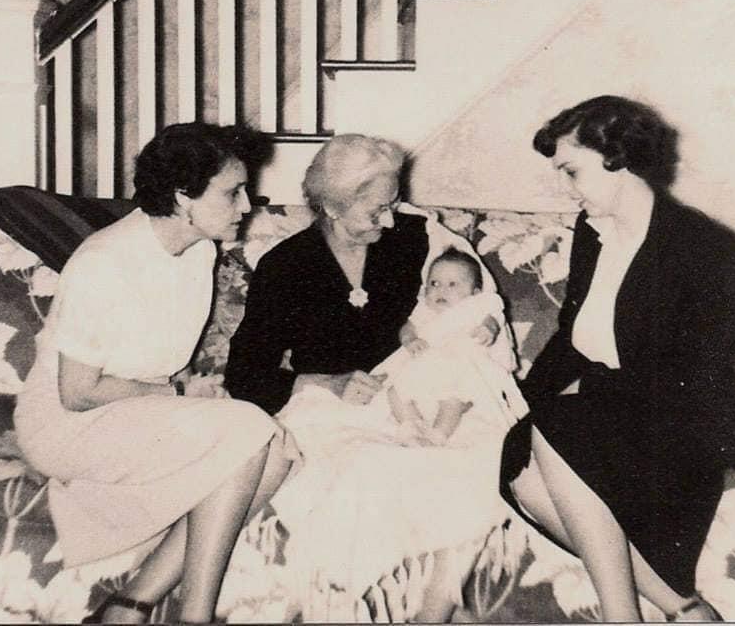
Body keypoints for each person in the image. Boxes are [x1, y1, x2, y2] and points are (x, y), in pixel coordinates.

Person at [224, 134, 522, 622]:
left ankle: (436, 608)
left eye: (392, 204)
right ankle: (356, 602)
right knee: (367, 468)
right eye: (374, 211)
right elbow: (245, 374)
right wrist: (323, 382)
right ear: (330, 207)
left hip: (423, 391)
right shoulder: (286, 266)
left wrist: (472, 343)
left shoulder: (420, 237)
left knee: (487, 451)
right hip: (334, 406)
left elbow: (477, 313)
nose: (388, 220)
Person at [13, 122, 295, 624]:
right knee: (251, 429)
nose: (247, 205)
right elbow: (77, 392)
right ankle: (196, 617)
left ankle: (129, 605)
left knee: (276, 450)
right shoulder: (104, 261)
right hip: (67, 420)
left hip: (134, 409)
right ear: (183, 195)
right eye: (232, 192)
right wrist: (179, 391)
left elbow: (164, 357)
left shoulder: (199, 251)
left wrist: (184, 396)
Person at [500, 96, 735, 621]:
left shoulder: (706, 247)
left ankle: (623, 618)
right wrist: (514, 400)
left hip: (685, 422)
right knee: (518, 466)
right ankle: (685, 609)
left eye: (571, 171)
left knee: (554, 426)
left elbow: (694, 373)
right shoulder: (592, 234)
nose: (563, 186)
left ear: (618, 158)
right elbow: (572, 338)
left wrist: (580, 396)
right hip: (612, 413)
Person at [385, 247, 526, 448]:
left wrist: (488, 329)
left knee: (453, 399)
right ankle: (411, 425)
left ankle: (437, 435)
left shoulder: (478, 306)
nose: (441, 290)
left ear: (474, 293)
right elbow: (408, 327)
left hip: (462, 368)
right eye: (434, 283)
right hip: (427, 366)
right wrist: (410, 340)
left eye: (452, 284)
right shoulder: (424, 309)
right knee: (395, 391)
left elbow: (492, 321)